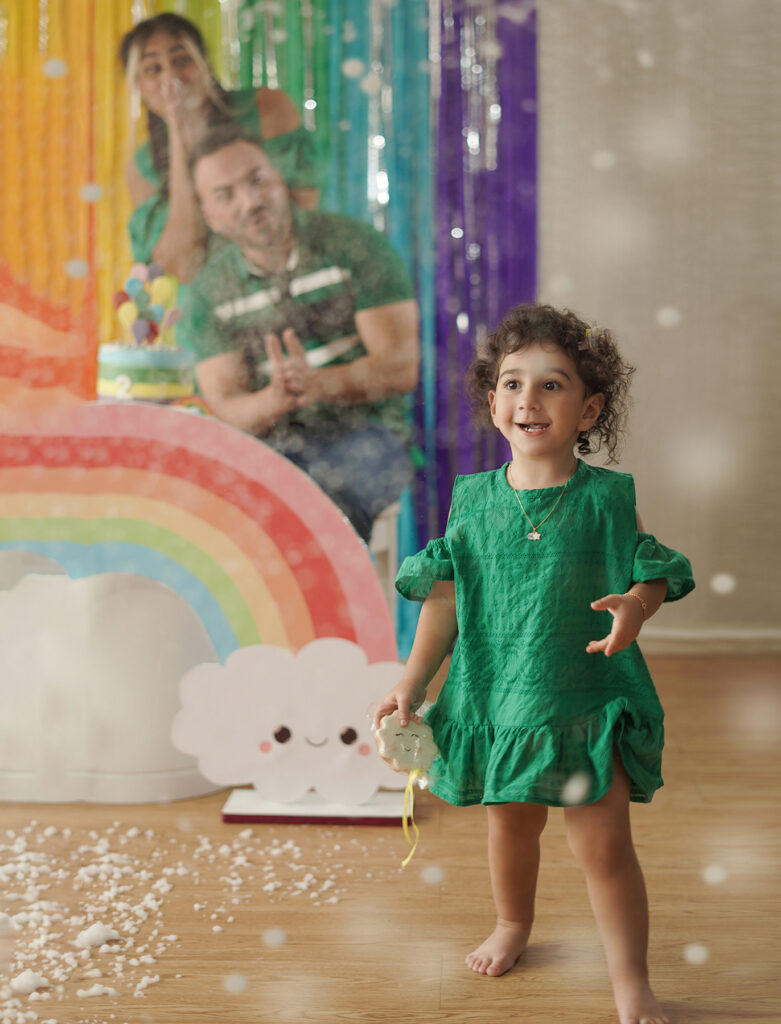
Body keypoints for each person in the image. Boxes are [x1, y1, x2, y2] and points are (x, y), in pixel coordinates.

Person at [373, 304, 694, 1024]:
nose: (529, 399)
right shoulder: (471, 502)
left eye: (553, 384)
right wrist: (411, 682)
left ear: (589, 410)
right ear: (494, 403)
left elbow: (650, 571)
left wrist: (637, 605)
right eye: (514, 383)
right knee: (510, 830)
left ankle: (631, 982)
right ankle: (512, 922)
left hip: (586, 699)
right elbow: (446, 602)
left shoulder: (608, 499)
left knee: (604, 848)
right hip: (500, 699)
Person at [181, 123, 420, 543]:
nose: (251, 201)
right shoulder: (209, 292)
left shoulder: (353, 244)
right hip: (270, 444)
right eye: (226, 195)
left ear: (279, 179)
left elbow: (400, 367)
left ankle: (324, 584)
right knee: (209, 510)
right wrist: (274, 399)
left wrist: (320, 384)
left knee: (318, 508)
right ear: (210, 217)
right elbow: (224, 404)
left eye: (257, 180)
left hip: (367, 434)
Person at [120, 12, 319, 283]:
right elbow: (184, 267)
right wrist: (179, 136)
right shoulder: (142, 168)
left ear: (205, 64)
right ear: (139, 87)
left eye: (182, 61)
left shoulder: (266, 108)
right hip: (210, 299)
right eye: (153, 69)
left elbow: (299, 220)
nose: (171, 77)